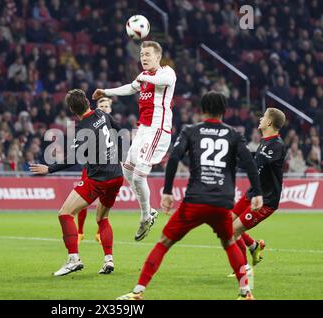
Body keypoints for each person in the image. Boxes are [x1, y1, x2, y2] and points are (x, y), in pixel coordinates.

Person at [117, 91, 263, 300]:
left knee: (164, 242)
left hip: (195, 201)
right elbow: (249, 162)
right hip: (222, 202)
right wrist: (257, 191)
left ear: (202, 110)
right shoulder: (233, 134)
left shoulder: (191, 131)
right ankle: (245, 292)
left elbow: (174, 158)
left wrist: (167, 191)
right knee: (230, 242)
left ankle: (138, 291)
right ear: (225, 111)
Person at [30, 89, 123, 276]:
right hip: (117, 175)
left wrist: (49, 169)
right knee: (102, 218)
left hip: (99, 178)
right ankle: (109, 260)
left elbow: (73, 158)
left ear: (73, 110)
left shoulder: (82, 129)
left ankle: (73, 259)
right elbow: (119, 131)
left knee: (64, 214)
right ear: (88, 102)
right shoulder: (101, 114)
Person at [93, 40, 176, 241]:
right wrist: (106, 92)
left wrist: (143, 76)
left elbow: (160, 81)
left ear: (157, 57)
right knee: (127, 171)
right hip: (143, 129)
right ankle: (149, 213)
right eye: (141, 54)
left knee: (139, 177)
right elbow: (130, 88)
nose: (144, 58)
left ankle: (145, 217)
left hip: (158, 130)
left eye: (148, 54)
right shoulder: (144, 77)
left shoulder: (167, 73)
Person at [230, 108, 286, 271]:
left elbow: (255, 166)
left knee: (231, 231)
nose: (261, 119)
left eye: (264, 117)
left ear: (269, 122)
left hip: (266, 201)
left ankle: (243, 267)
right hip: (253, 194)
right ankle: (254, 247)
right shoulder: (265, 141)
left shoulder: (276, 145)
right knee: (226, 223)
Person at [77, 96, 113, 245]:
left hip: (108, 169)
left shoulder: (110, 124)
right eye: (101, 105)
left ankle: (99, 232)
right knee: (82, 202)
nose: (104, 108)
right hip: (91, 168)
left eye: (107, 106)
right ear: (96, 108)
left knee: (104, 204)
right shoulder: (90, 122)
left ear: (110, 109)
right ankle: (80, 232)